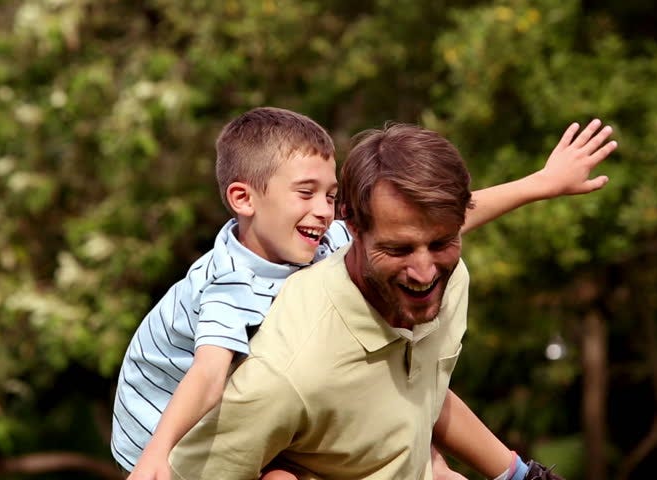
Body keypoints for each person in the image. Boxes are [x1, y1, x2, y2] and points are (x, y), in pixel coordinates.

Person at [112, 108, 616, 479]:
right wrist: (158, 454)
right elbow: (207, 376)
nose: (324, 209)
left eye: (331, 196)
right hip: (160, 429)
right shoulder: (232, 284)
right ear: (243, 198)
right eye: (305, 193)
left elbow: (443, 217)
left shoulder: (325, 241)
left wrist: (543, 183)